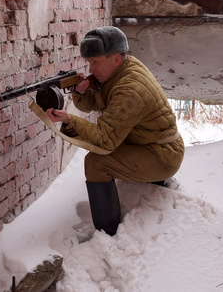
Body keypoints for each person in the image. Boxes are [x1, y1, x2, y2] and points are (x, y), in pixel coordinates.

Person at [45, 26, 185, 236]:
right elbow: (95, 103)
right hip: (149, 143)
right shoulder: (124, 69)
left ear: (116, 58)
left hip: (162, 156)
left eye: (96, 62)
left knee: (96, 163)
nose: (91, 69)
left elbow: (105, 140)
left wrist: (69, 120)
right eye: (90, 62)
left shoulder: (130, 88)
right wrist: (81, 92)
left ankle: (107, 232)